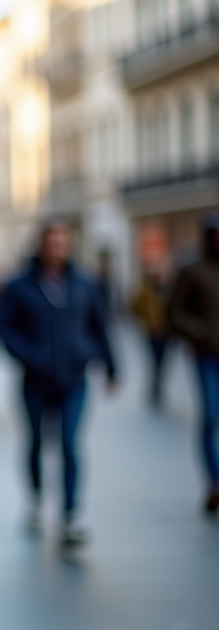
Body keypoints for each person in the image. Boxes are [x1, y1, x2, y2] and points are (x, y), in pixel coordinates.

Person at [0, 221, 116, 547]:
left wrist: (107, 363)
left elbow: (99, 325)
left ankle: (71, 515)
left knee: (70, 444)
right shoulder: (20, 285)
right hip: (35, 381)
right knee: (35, 443)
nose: (58, 247)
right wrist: (29, 356)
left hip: (74, 379)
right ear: (41, 245)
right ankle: (35, 500)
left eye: (63, 241)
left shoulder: (83, 283)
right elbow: (3, 327)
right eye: (52, 241)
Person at [167, 213, 219, 515]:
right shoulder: (191, 271)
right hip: (207, 354)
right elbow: (174, 313)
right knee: (210, 416)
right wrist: (201, 333)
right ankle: (214, 480)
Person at [130, 265, 173, 408]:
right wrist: (141, 321)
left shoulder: (169, 290)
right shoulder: (145, 290)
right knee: (154, 360)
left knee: (162, 361)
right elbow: (134, 306)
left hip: (165, 332)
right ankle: (154, 386)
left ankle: (157, 386)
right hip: (150, 332)